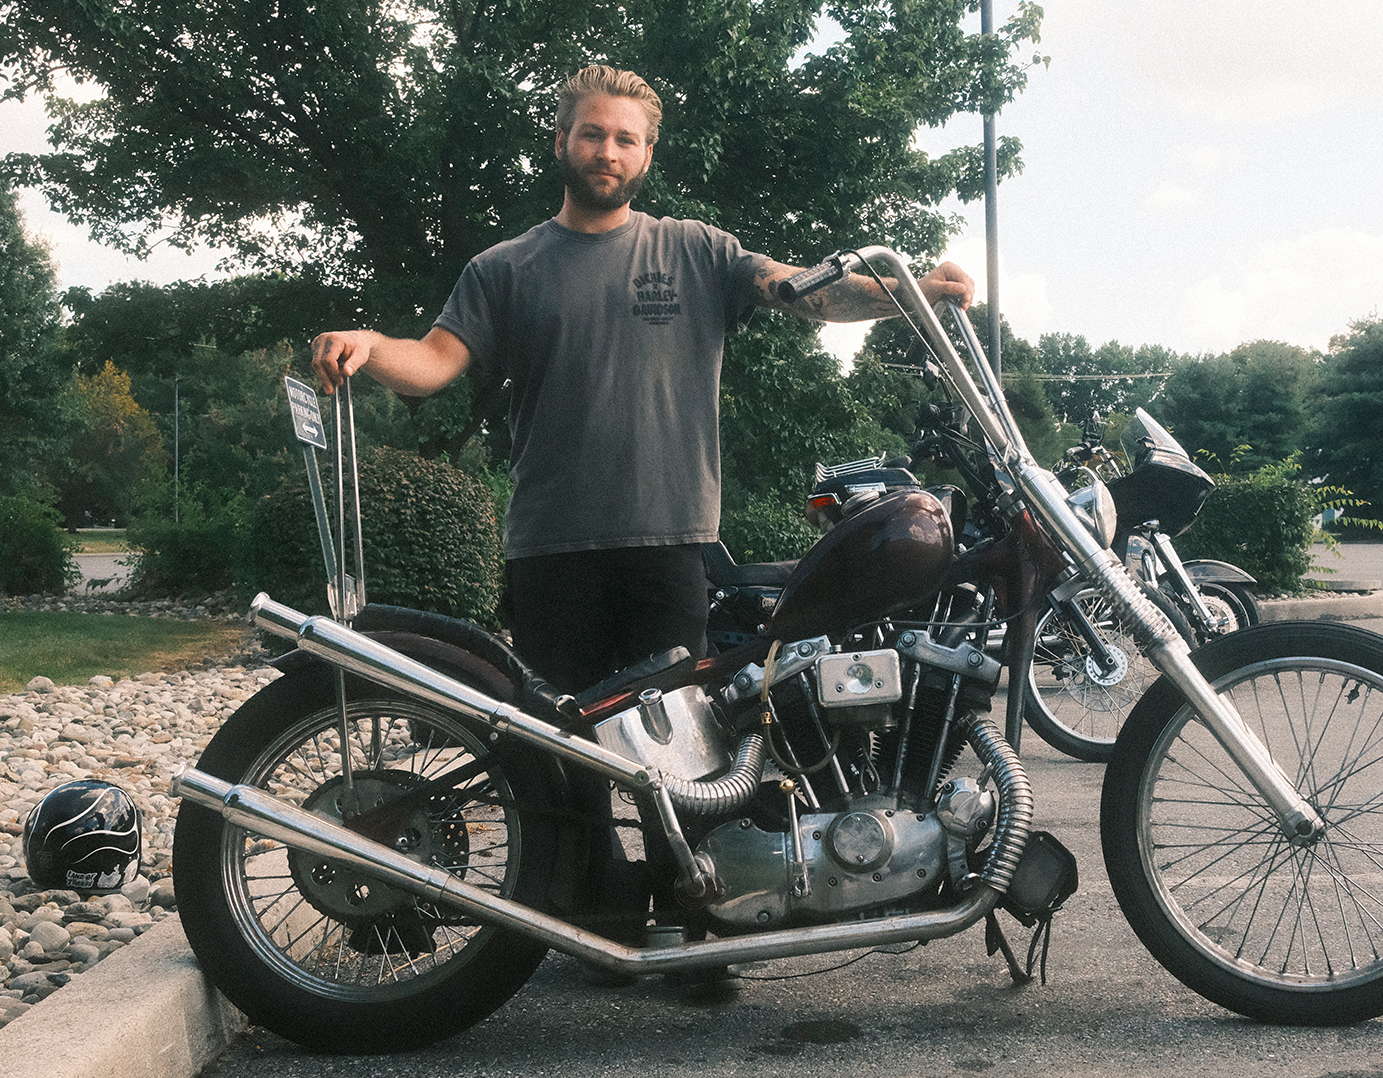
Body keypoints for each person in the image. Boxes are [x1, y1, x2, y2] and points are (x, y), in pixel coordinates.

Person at [310, 64, 973, 976]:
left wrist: (909, 292)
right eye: (592, 133)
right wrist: (365, 345)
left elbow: (807, 291)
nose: (607, 151)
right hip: (551, 547)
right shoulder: (502, 269)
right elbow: (430, 360)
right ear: (562, 142)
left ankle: (701, 934)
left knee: (687, 758)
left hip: (670, 542)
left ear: (647, 154)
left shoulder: (696, 250)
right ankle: (595, 922)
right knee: (570, 758)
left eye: (625, 138)